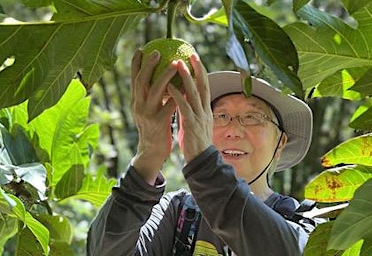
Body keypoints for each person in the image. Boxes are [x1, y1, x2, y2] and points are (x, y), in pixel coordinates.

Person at [87, 48, 314, 256]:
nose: (233, 131)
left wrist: (205, 166)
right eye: (220, 116)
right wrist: (148, 156)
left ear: (281, 142)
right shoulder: (178, 213)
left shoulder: (306, 220)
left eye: (252, 117)